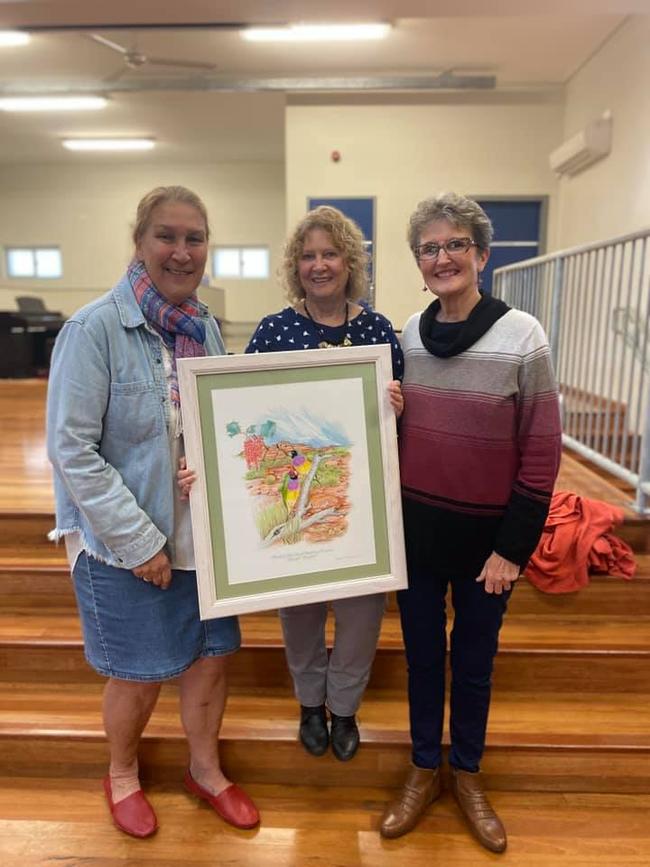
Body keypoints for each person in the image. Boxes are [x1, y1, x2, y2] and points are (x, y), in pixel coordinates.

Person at [46, 185, 259, 839]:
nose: (181, 250)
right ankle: (122, 772)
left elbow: (209, 426)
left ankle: (205, 768)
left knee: (210, 659)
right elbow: (72, 449)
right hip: (123, 540)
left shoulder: (203, 326)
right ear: (140, 242)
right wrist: (140, 540)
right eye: (167, 235)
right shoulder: (94, 330)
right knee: (137, 675)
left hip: (203, 534)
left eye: (195, 238)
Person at [380, 193, 561, 853]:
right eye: (430, 247)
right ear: (419, 262)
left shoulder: (524, 335)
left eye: (456, 244)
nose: (443, 257)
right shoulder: (404, 335)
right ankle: (425, 770)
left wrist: (513, 549)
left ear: (481, 255)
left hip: (489, 551)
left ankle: (469, 774)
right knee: (423, 660)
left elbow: (542, 453)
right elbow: (389, 435)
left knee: (475, 665)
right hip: (417, 540)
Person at [245, 206, 404, 761]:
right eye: (308, 256)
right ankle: (311, 705)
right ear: (296, 265)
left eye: (330, 253)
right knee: (301, 610)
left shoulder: (379, 331)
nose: (319, 265)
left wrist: (397, 406)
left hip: (364, 500)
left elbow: (398, 423)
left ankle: (347, 707)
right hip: (294, 488)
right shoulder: (273, 330)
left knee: (362, 615)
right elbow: (247, 413)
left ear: (349, 261)